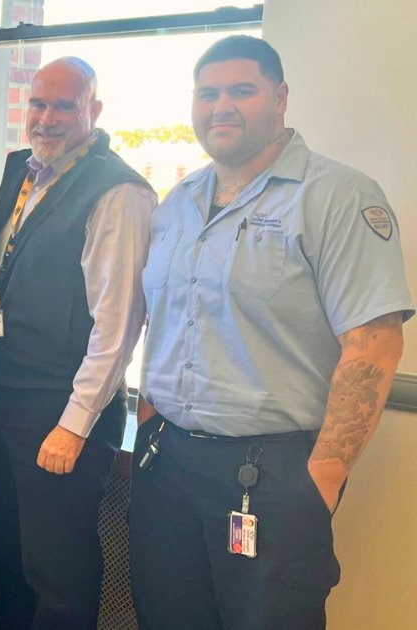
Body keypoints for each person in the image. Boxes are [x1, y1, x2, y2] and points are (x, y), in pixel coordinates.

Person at [130, 35, 412, 630]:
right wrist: (150, 420)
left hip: (271, 472)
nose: (221, 107)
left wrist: (321, 479)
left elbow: (374, 341)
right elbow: (166, 320)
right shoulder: (177, 202)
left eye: (241, 91)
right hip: (169, 464)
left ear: (280, 98)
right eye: (207, 94)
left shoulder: (336, 195)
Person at [0, 57, 157, 628]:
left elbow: (118, 324)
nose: (47, 118)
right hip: (12, 394)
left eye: (65, 106)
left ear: (94, 111)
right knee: (7, 554)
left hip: (65, 406)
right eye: (38, 104)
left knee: (57, 570)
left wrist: (74, 422)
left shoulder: (118, 191)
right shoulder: (22, 171)